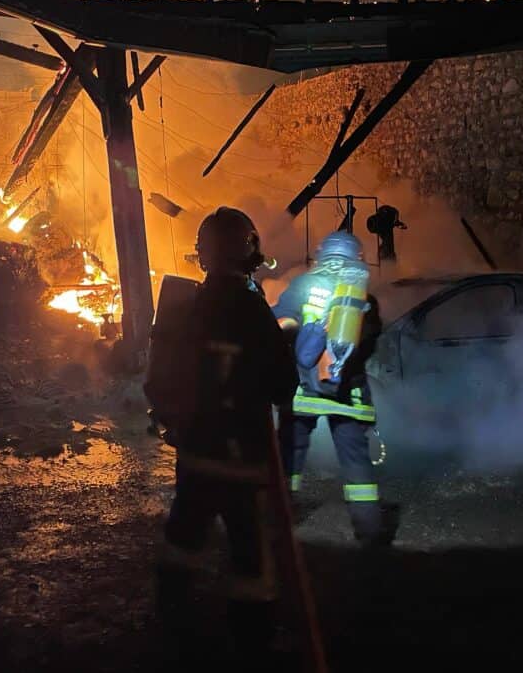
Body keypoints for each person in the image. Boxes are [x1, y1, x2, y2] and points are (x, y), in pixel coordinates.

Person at [156, 207, 297, 659]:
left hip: (195, 455)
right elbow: (283, 385)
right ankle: (253, 645)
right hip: (241, 460)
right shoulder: (253, 310)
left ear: (204, 254)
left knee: (182, 539)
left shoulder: (187, 306)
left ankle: (171, 625)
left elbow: (161, 378)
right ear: (247, 251)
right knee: (249, 555)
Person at [272, 231, 391, 546]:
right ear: (356, 257)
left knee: (289, 457)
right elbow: (369, 344)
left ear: (322, 253)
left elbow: (280, 323)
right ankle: (370, 533)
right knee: (356, 464)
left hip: (302, 393)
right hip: (348, 396)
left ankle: (279, 523)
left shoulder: (303, 285)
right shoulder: (363, 297)